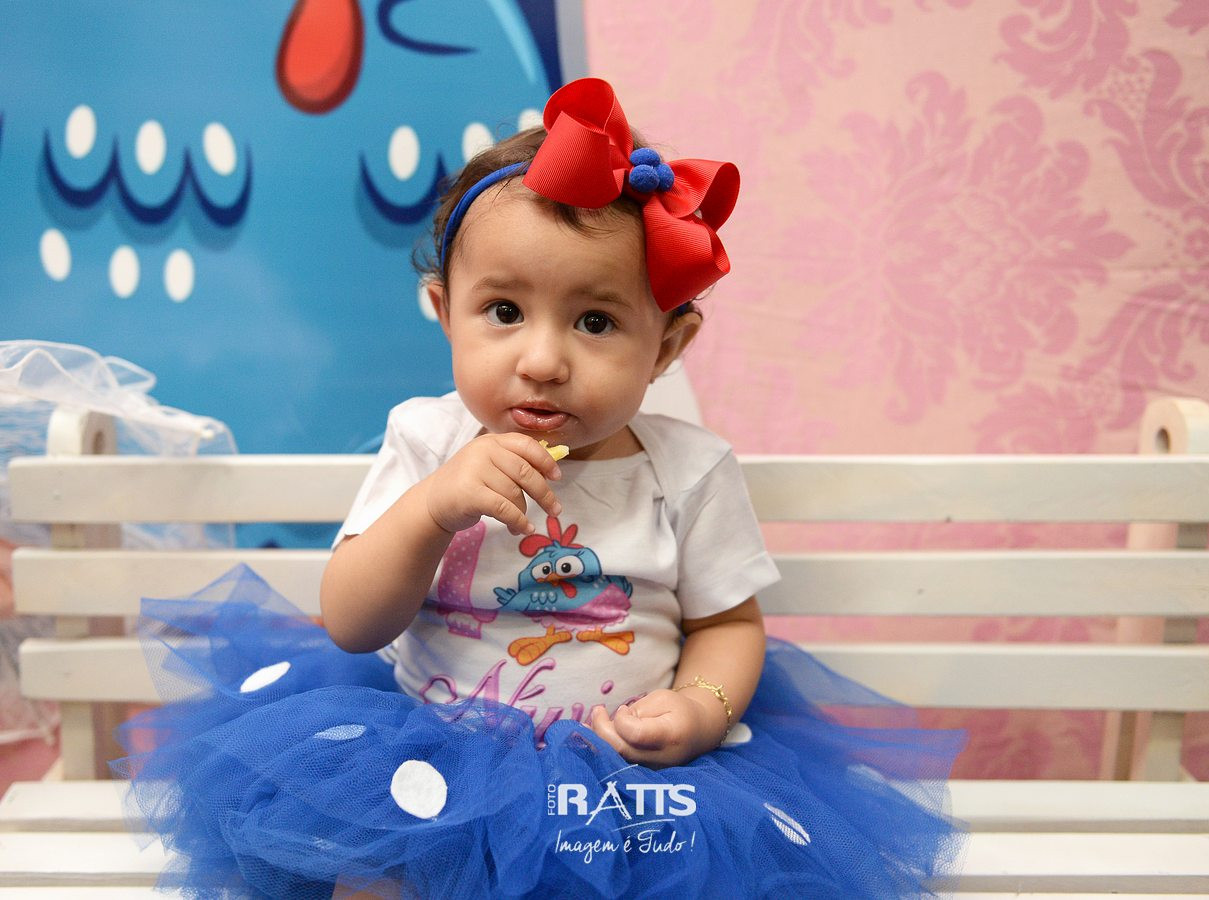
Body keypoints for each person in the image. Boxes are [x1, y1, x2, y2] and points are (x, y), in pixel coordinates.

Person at [115, 78, 965, 899]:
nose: (544, 359)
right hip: (431, 757)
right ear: (445, 312)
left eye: (596, 321)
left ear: (666, 348)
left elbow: (728, 624)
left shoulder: (688, 472)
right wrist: (432, 509)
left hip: (622, 779)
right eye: (504, 312)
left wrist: (700, 707)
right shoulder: (428, 441)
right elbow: (351, 622)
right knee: (378, 869)